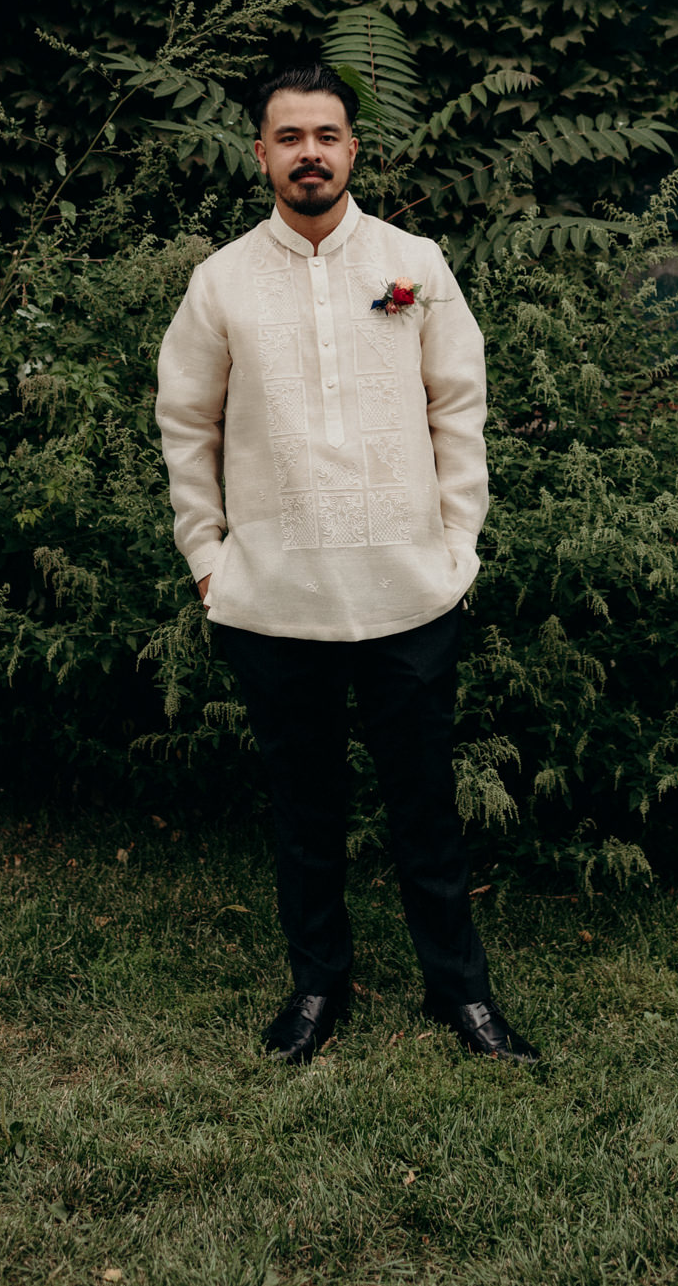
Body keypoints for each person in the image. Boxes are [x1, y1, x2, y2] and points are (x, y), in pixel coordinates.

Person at [154, 60, 538, 1066]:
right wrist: (207, 558)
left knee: (425, 814)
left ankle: (461, 996)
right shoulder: (222, 281)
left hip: (408, 593)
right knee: (303, 814)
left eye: (325, 135)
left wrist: (455, 547)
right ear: (261, 155)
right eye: (289, 137)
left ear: (352, 148)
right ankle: (318, 990)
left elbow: (457, 408)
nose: (309, 153)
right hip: (273, 601)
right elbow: (183, 423)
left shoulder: (413, 263)